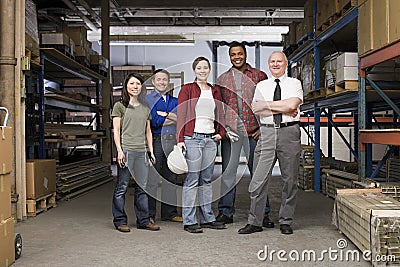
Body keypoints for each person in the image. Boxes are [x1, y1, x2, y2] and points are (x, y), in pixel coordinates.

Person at [238, 51, 302, 235]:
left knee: (290, 179)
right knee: (259, 179)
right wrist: (282, 106)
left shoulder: (294, 83)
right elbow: (256, 108)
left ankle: (285, 221)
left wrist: (270, 105)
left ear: (286, 63)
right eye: (272, 61)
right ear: (269, 64)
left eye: (279, 61)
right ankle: (255, 221)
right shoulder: (261, 85)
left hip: (289, 132)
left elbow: (292, 106)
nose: (275, 64)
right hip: (266, 133)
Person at [215, 41, 274, 228]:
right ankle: (225, 212)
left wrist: (262, 128)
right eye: (233, 54)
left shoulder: (259, 76)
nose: (237, 57)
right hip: (232, 134)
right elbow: (219, 108)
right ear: (229, 56)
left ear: (245, 54)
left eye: (239, 53)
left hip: (254, 133)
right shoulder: (222, 79)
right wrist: (223, 130)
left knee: (258, 174)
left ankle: (262, 214)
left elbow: (268, 103)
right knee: (228, 175)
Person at [177, 56, 227, 233]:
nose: (203, 70)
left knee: (206, 180)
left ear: (209, 70)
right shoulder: (187, 89)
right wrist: (180, 139)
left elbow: (220, 113)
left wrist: (221, 133)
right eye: (199, 68)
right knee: (192, 180)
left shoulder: (214, 91)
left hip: (210, 140)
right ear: (194, 70)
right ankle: (189, 221)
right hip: (193, 139)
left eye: (205, 68)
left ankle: (207, 218)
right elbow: (181, 115)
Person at [112, 72, 160, 232]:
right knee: (122, 186)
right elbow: (116, 131)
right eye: (132, 84)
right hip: (127, 151)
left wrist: (151, 152)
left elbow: (148, 132)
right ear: (126, 86)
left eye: (138, 84)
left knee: (142, 188)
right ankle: (120, 221)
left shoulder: (146, 107)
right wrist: (119, 151)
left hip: (142, 152)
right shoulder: (120, 106)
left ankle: (144, 221)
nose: (135, 86)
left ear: (142, 87)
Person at [146, 69, 183, 223]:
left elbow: (180, 119)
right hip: (156, 140)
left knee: (171, 177)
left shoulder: (174, 101)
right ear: (153, 82)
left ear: (168, 83)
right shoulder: (148, 100)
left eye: (165, 80)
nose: (162, 82)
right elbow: (154, 121)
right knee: (153, 179)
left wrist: (165, 115)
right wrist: (171, 117)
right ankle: (150, 215)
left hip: (172, 141)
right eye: (159, 79)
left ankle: (170, 213)